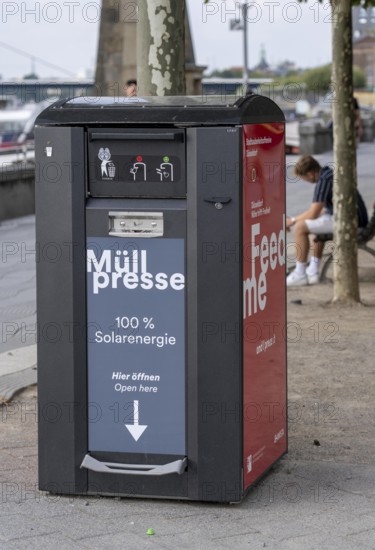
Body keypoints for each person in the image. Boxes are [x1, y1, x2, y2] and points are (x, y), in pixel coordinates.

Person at [286, 155, 368, 287]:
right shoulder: (329, 174)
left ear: (310, 173)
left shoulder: (324, 180)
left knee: (301, 227)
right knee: (314, 224)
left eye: (304, 178)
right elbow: (321, 212)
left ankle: (299, 273)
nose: (305, 181)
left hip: (352, 223)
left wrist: (292, 221)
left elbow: (312, 213)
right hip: (355, 219)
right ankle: (312, 271)